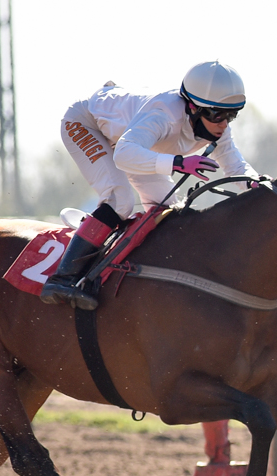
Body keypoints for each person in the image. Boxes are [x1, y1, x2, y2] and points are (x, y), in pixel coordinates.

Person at [41, 61, 259, 310]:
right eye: (217, 115)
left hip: (132, 141)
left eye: (231, 115)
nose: (224, 123)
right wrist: (178, 163)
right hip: (86, 123)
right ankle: (62, 279)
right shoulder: (164, 113)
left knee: (169, 213)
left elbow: (237, 168)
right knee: (120, 200)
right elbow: (124, 155)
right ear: (193, 107)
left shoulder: (219, 130)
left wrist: (260, 184)